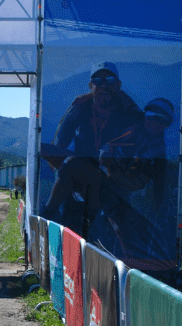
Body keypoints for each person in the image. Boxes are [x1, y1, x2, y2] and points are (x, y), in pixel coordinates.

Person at [42, 62, 144, 232]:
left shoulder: (129, 112)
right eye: (97, 80)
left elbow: (144, 132)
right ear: (91, 86)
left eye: (109, 80)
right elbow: (57, 148)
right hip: (79, 176)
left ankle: (49, 214)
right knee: (63, 160)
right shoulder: (79, 108)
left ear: (118, 85)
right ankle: (47, 218)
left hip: (113, 182)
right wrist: (69, 178)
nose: (103, 85)